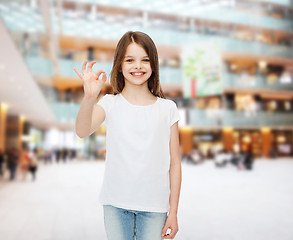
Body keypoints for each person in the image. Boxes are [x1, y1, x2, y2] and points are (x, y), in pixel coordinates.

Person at [74, 31, 181, 240]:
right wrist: (89, 98)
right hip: (115, 205)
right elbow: (81, 131)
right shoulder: (110, 104)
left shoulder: (168, 108)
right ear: (120, 65)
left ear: (154, 65)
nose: (138, 66)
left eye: (145, 60)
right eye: (130, 60)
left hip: (154, 207)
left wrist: (174, 213)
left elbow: (175, 164)